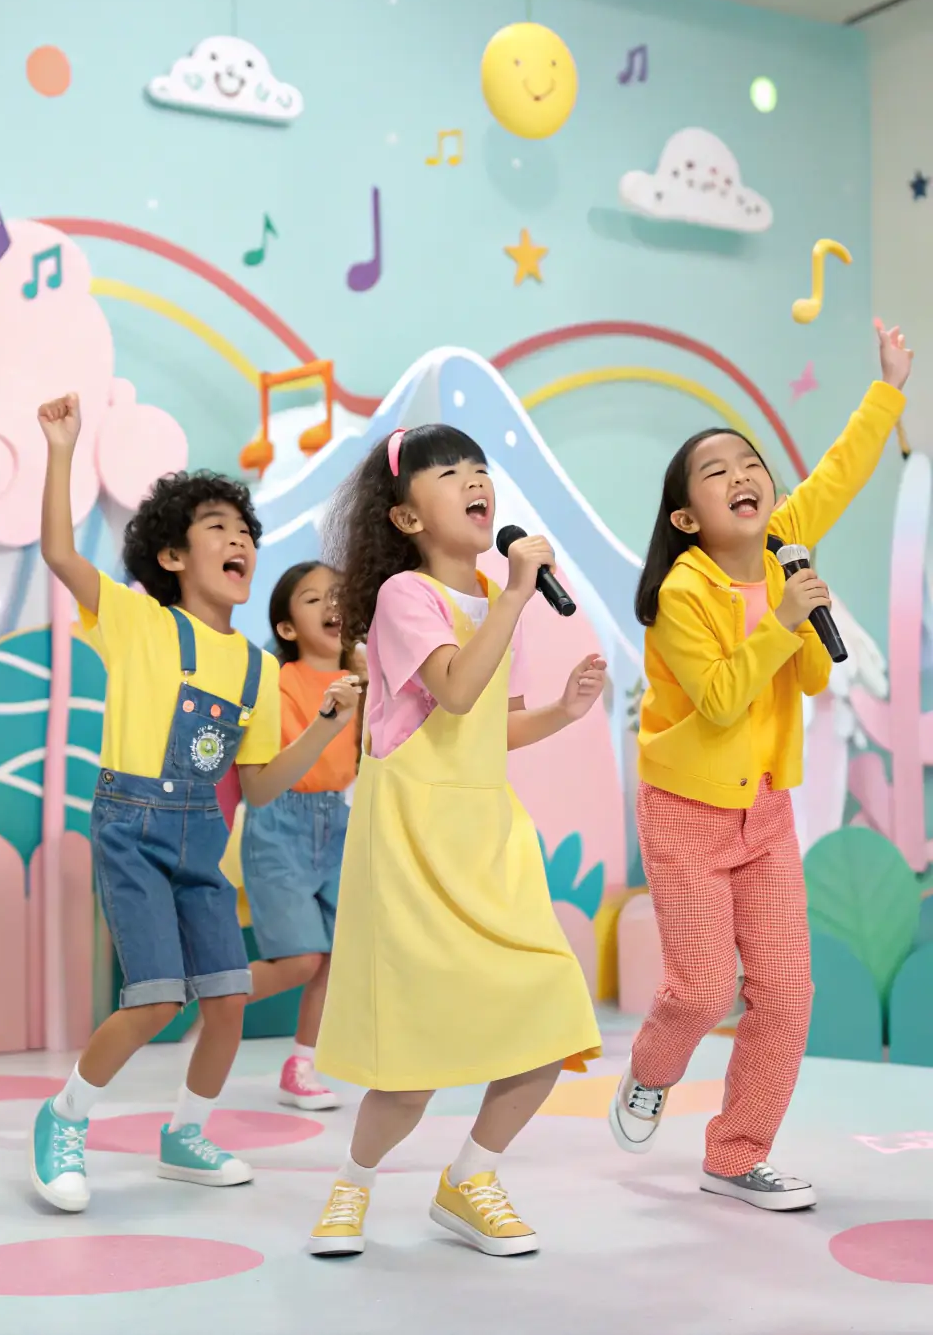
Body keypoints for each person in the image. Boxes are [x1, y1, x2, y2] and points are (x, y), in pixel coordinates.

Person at [29, 393, 360, 1214]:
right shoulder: (138, 620)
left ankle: (186, 1134)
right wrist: (62, 448)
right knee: (154, 999)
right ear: (174, 556)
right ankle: (62, 1115)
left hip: (201, 842)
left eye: (244, 529)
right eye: (217, 526)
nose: (238, 538)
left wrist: (323, 726)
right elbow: (60, 552)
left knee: (228, 1001)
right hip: (132, 829)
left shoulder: (254, 669)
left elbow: (256, 785)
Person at [609, 320, 912, 1211]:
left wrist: (889, 387)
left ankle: (736, 1153)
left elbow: (843, 473)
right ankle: (650, 1069)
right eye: (717, 471)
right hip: (686, 813)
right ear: (684, 516)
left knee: (787, 994)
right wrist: (783, 620)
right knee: (701, 988)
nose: (744, 476)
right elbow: (720, 700)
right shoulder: (681, 594)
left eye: (750, 462)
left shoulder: (784, 540)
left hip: (766, 815)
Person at [306, 422, 605, 1259]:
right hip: (415, 839)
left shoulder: (488, 595)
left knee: (551, 1016)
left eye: (481, 467)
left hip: (486, 833)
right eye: (450, 472)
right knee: (413, 1060)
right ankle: (351, 1186)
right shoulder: (409, 597)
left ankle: (470, 1176)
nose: (476, 479)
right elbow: (456, 692)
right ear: (404, 518)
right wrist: (513, 594)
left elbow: (493, 729)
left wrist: (563, 712)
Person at [241, 561, 365, 1111]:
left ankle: (302, 1064)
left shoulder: (363, 679)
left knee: (337, 954)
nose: (331, 606)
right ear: (287, 628)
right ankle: (206, 995)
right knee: (300, 960)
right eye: (313, 600)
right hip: (280, 824)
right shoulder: (277, 680)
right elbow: (264, 771)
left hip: (338, 820)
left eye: (338, 596)